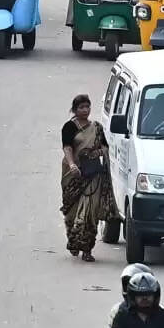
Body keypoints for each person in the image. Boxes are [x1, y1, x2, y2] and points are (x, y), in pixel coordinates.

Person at [60, 94, 117, 261]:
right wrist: (72, 165)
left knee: (89, 212)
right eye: (81, 107)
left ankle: (87, 249)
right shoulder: (69, 127)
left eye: (87, 107)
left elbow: (105, 148)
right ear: (75, 109)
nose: (85, 110)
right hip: (73, 174)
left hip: (92, 175)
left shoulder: (97, 128)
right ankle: (74, 240)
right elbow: (67, 147)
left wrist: (95, 154)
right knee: (72, 212)